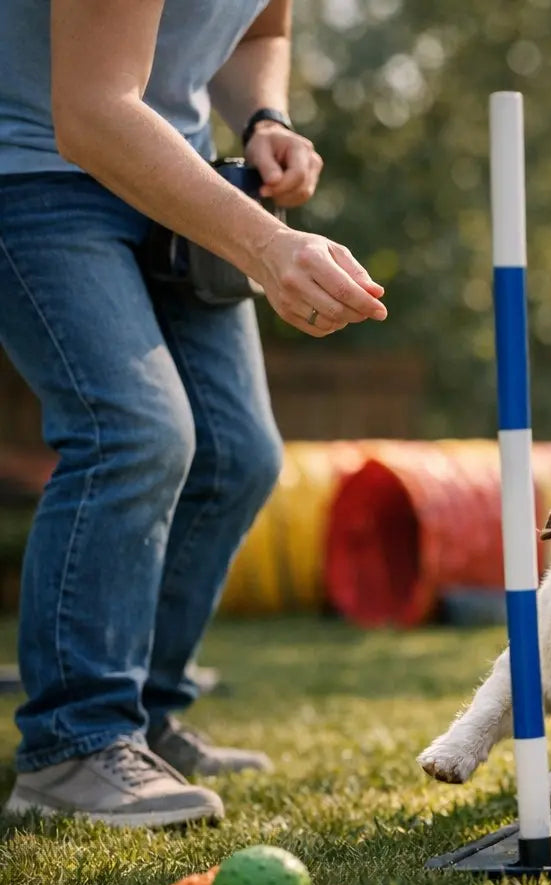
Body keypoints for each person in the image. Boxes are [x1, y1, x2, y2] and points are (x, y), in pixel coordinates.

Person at [0, 0, 387, 827]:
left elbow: (258, 29)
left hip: (173, 168)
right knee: (133, 433)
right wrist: (269, 245)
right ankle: (73, 746)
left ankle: (144, 719)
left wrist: (262, 118)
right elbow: (92, 114)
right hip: (36, 171)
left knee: (237, 457)